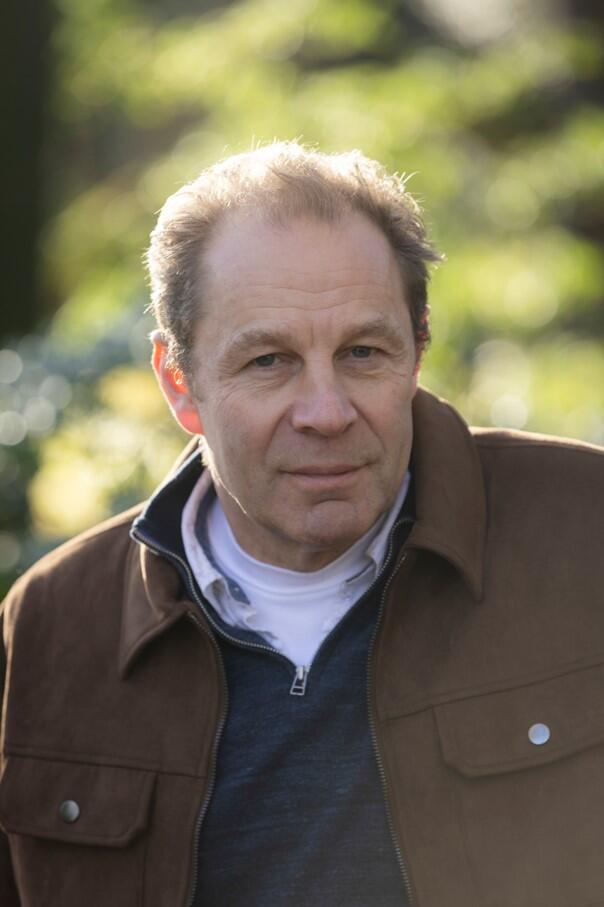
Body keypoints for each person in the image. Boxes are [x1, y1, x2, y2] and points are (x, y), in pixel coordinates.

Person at [0, 142, 602, 907]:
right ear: (180, 382)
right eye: (269, 361)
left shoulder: (585, 533)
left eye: (363, 352)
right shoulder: (51, 624)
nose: (326, 411)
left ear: (418, 349)